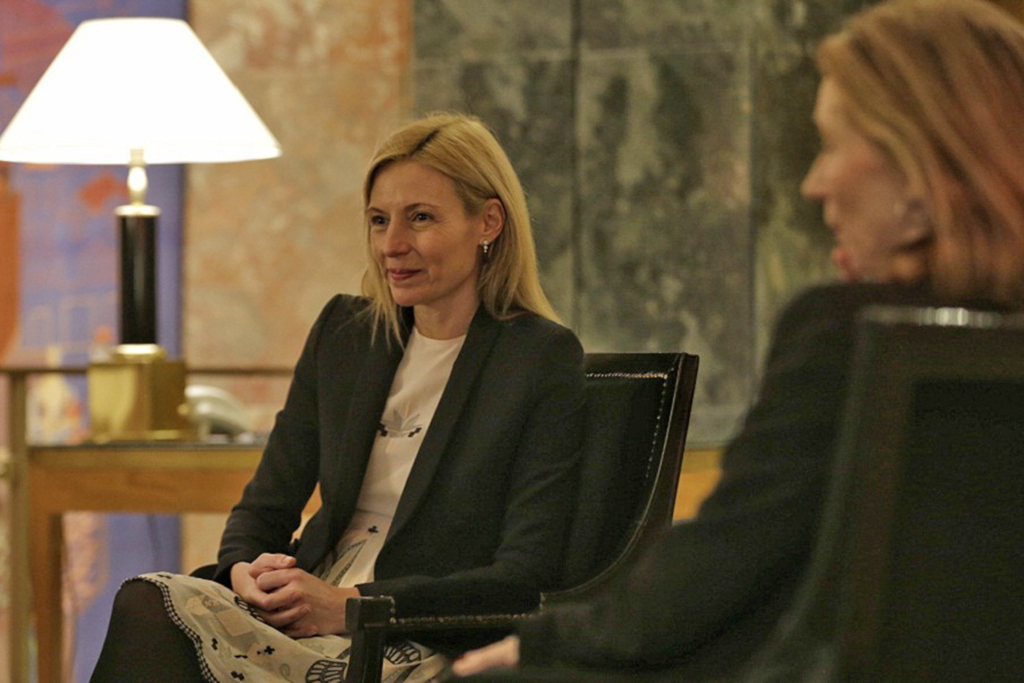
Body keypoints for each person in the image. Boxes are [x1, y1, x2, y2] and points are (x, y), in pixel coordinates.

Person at [453, 0, 1024, 679]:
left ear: (921, 171)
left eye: (830, 144)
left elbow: (713, 574)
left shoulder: (846, 334)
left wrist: (540, 645)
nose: (812, 185)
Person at [91, 113, 586, 683]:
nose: (392, 245)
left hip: (413, 630)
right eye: (379, 220)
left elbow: (523, 577)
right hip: (302, 607)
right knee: (148, 600)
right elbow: (266, 506)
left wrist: (353, 605)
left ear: (489, 222)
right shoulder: (347, 333)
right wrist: (243, 572)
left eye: (420, 218)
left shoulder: (539, 357)